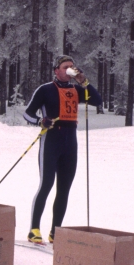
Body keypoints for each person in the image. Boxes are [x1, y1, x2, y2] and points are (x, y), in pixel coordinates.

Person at [23, 55, 102, 244]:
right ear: (56, 70)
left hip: (70, 142)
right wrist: (41, 121)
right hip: (51, 140)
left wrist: (84, 81)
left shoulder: (76, 89)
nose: (69, 69)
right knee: (46, 184)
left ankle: (55, 231)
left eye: (72, 67)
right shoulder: (45, 89)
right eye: (66, 66)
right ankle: (34, 228)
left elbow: (97, 101)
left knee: (64, 189)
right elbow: (28, 113)